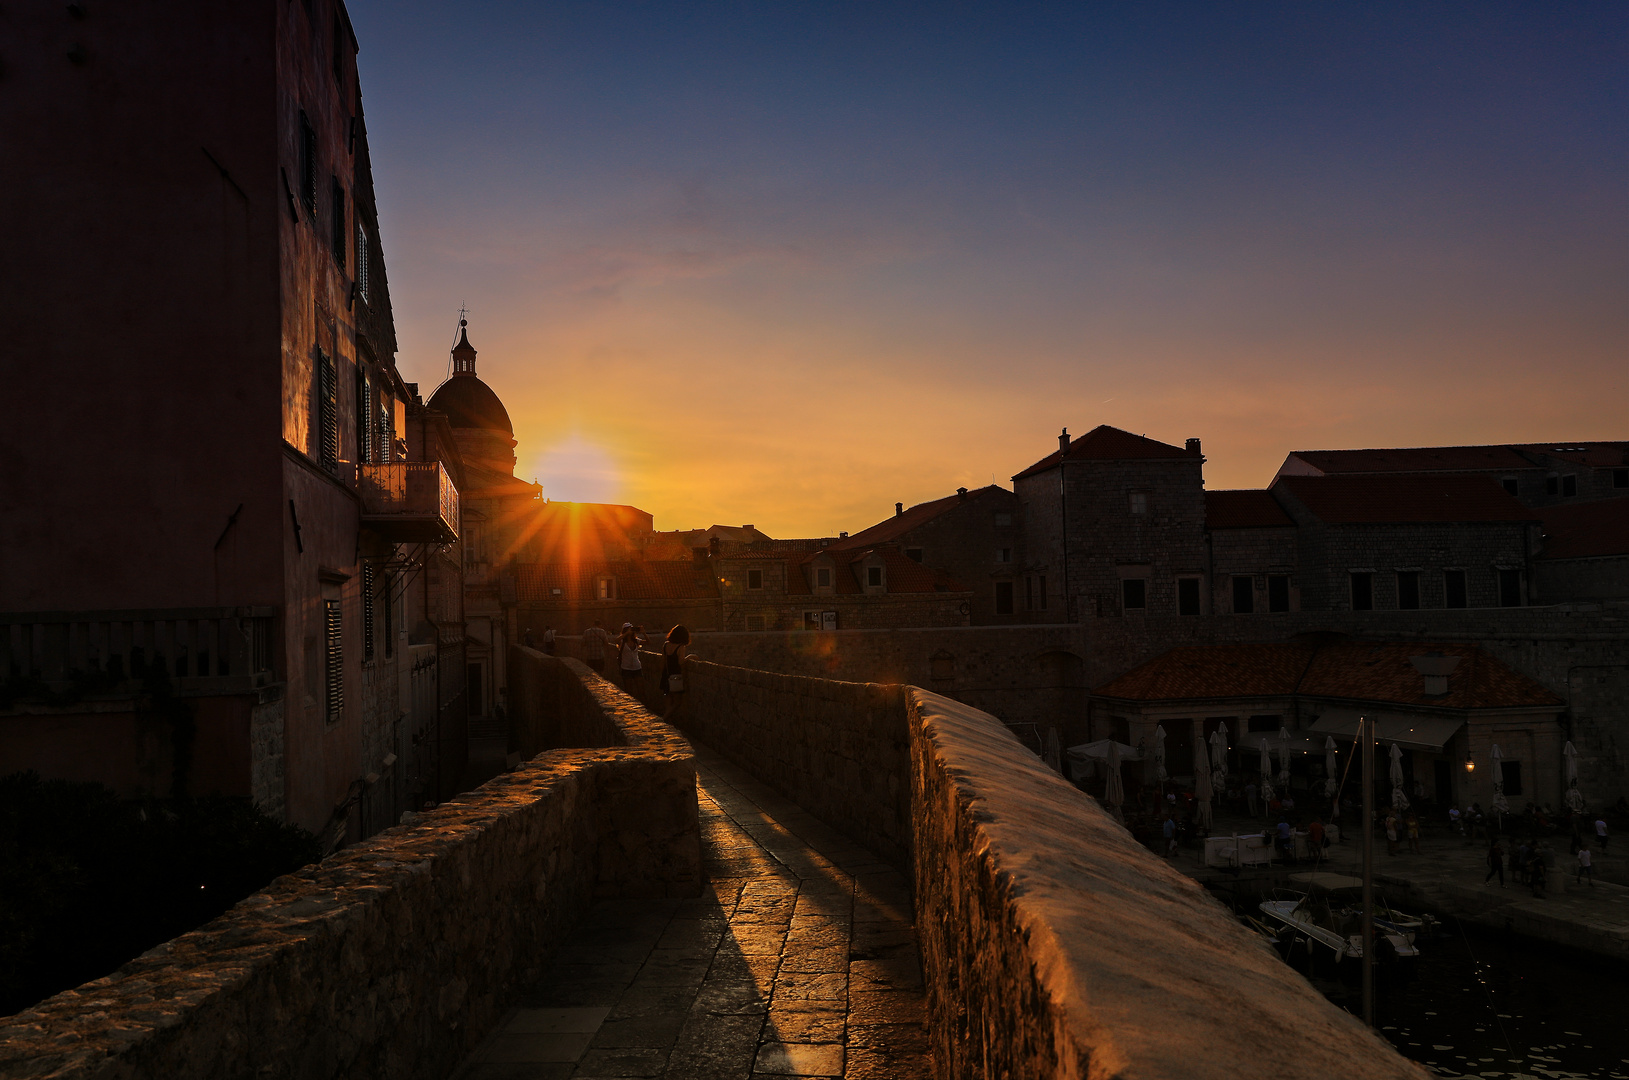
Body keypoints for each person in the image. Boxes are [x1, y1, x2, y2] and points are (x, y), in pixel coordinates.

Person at [660, 625, 690, 719]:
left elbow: (663, 661)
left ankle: (668, 722)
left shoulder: (665, 645)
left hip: (666, 675)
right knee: (677, 702)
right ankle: (664, 718)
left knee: (668, 701)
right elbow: (681, 662)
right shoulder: (681, 647)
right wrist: (690, 657)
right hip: (676, 676)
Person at [617, 623, 645, 694]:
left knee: (641, 689)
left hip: (637, 667)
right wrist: (626, 633)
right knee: (629, 690)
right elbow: (616, 640)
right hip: (626, 668)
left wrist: (644, 633)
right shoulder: (622, 642)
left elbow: (648, 642)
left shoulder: (636, 640)